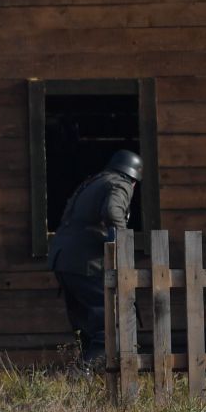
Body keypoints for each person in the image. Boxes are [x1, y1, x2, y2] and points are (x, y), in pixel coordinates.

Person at [46, 150, 142, 370]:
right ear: (134, 178)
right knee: (114, 326)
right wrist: (121, 247)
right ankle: (83, 373)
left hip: (64, 261)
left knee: (88, 329)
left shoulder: (93, 182)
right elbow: (112, 212)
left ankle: (85, 385)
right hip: (87, 263)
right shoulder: (121, 183)